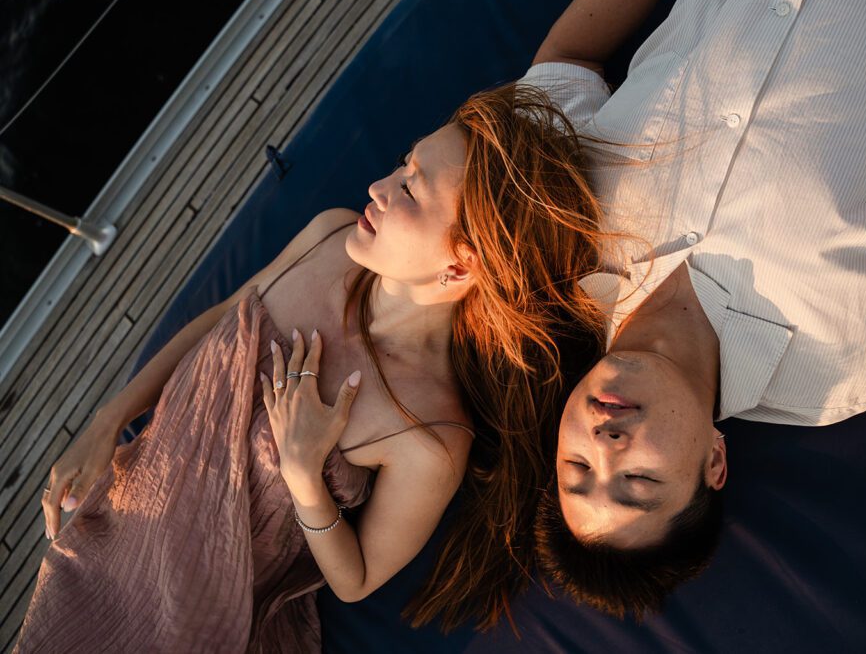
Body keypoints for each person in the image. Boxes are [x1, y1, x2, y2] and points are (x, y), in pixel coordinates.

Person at [15, 84, 606, 651]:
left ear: (458, 269)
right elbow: (224, 316)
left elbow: (357, 579)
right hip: (113, 524)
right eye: (404, 165)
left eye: (411, 190)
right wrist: (105, 422)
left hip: (200, 611)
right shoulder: (330, 235)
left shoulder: (428, 435)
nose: (378, 186)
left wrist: (303, 476)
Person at [522, 0, 866, 619]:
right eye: (638, 481)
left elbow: (560, 71)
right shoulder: (848, 350)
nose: (605, 442)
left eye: (577, 470)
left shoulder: (570, 235)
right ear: (713, 461)